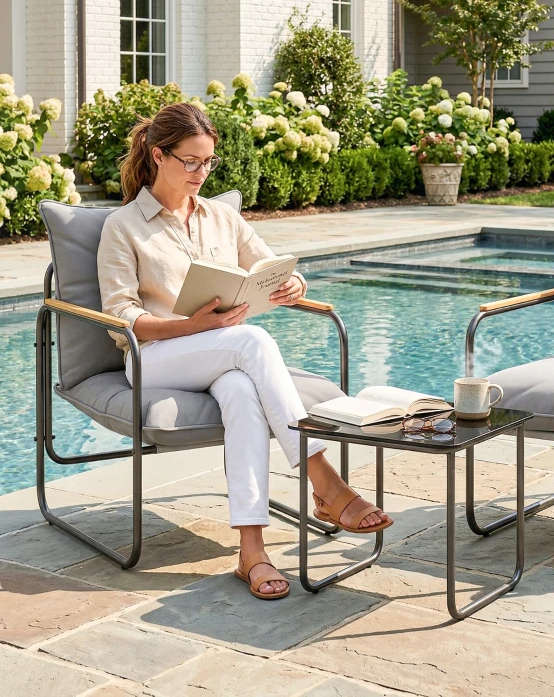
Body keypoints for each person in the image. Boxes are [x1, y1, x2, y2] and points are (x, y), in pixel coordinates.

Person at [97, 102, 392, 601]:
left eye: (208, 162)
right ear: (157, 155)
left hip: (223, 356)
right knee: (252, 340)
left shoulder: (222, 217)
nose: (200, 172)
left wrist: (292, 283)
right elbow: (120, 319)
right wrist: (189, 324)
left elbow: (270, 264)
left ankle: (251, 551)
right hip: (155, 357)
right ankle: (326, 481)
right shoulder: (123, 226)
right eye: (190, 161)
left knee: (240, 390)